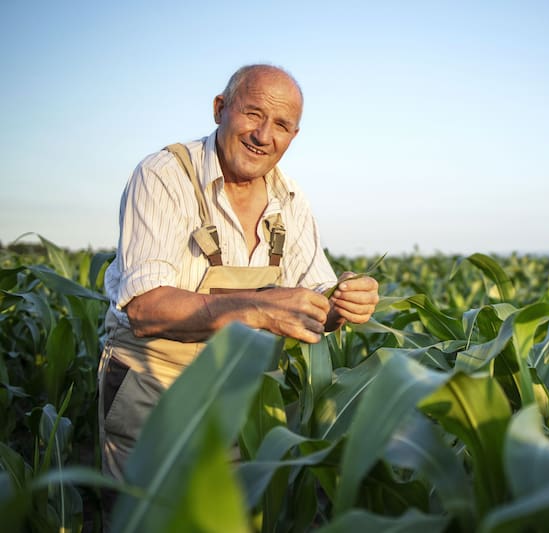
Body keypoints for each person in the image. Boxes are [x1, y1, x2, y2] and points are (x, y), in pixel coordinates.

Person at [97, 64, 379, 488]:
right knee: (146, 515)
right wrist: (260, 308)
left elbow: (315, 297)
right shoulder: (165, 176)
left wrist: (342, 302)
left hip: (238, 390)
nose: (263, 135)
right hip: (152, 383)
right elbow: (145, 309)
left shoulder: (291, 201)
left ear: (293, 137)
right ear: (219, 109)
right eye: (253, 114)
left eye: (281, 125)